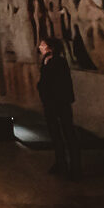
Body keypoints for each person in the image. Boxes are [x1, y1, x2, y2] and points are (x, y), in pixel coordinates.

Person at [37, 37, 81, 179]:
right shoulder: (45, 61)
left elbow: (61, 83)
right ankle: (60, 162)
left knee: (68, 133)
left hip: (60, 103)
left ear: (51, 47)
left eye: (43, 44)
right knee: (54, 133)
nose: (40, 46)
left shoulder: (59, 62)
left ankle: (75, 167)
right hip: (50, 103)